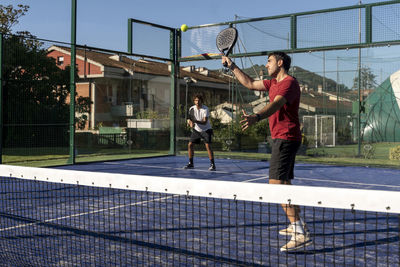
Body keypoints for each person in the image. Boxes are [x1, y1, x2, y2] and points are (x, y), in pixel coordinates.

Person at [222, 52, 312, 252]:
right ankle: (298, 223)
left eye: (269, 61)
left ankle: (300, 233)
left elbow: (277, 103)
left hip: (286, 138)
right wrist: (232, 66)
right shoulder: (272, 83)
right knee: (285, 183)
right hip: (284, 138)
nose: (266, 64)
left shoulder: (289, 83)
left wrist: (257, 116)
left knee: (276, 184)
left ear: (280, 63)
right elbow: (250, 83)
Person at [183, 94, 216, 171]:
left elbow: (204, 122)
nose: (197, 102)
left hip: (206, 130)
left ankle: (212, 165)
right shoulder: (191, 108)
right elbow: (189, 118)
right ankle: (191, 163)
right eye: (196, 100)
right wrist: (190, 123)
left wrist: (196, 121)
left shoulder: (205, 109)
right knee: (190, 145)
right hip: (196, 130)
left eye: (198, 100)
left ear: (201, 101)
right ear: (194, 101)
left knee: (208, 146)